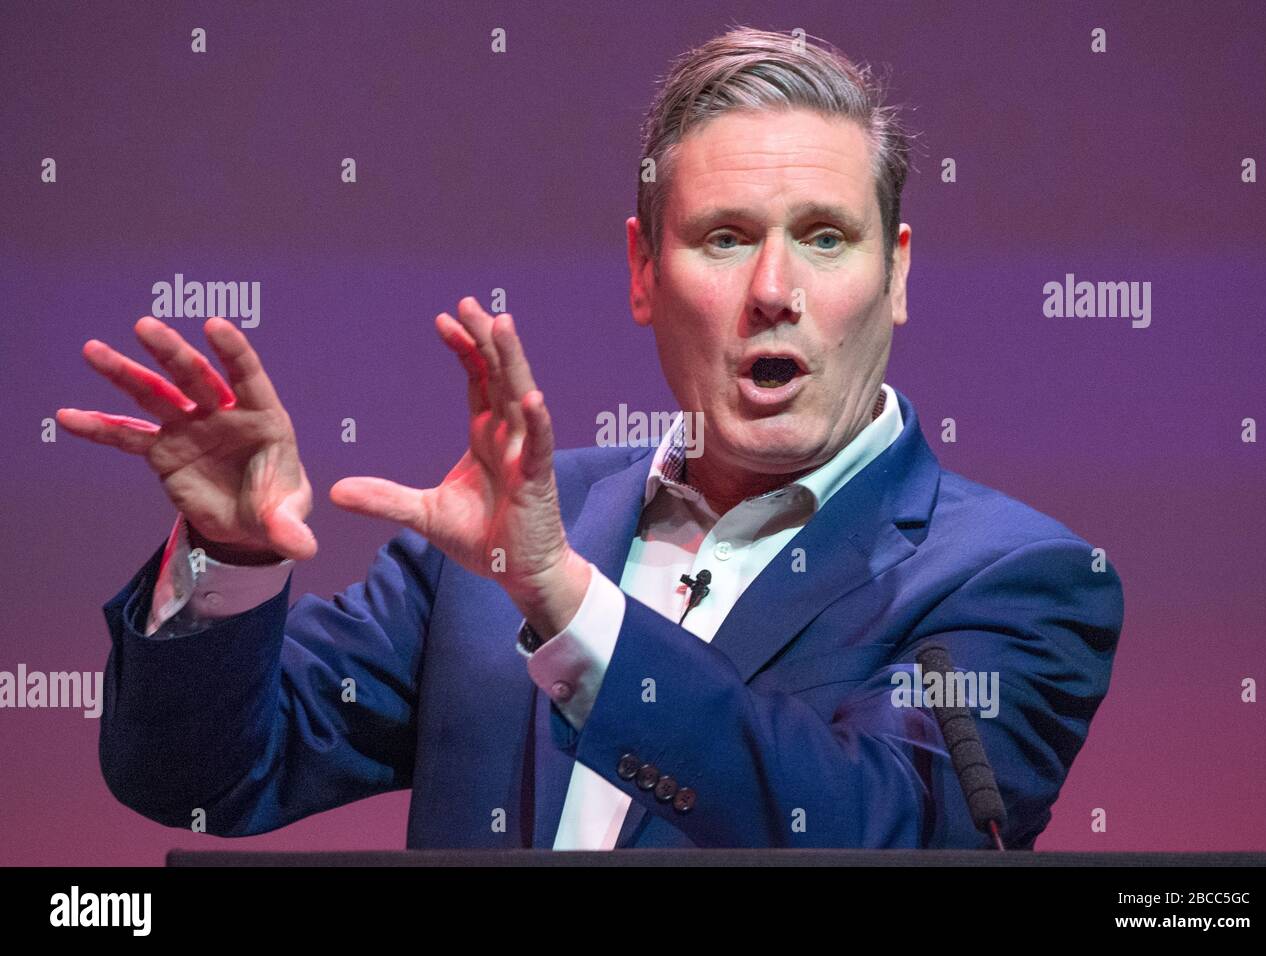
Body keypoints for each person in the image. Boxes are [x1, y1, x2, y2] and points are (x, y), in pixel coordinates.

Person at [64, 27, 1122, 850]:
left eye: (824, 236)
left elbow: (881, 831)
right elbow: (198, 781)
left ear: (894, 275)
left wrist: (569, 607)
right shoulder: (510, 533)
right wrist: (236, 559)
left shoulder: (1016, 579)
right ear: (640, 272)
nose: (773, 291)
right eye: (724, 236)